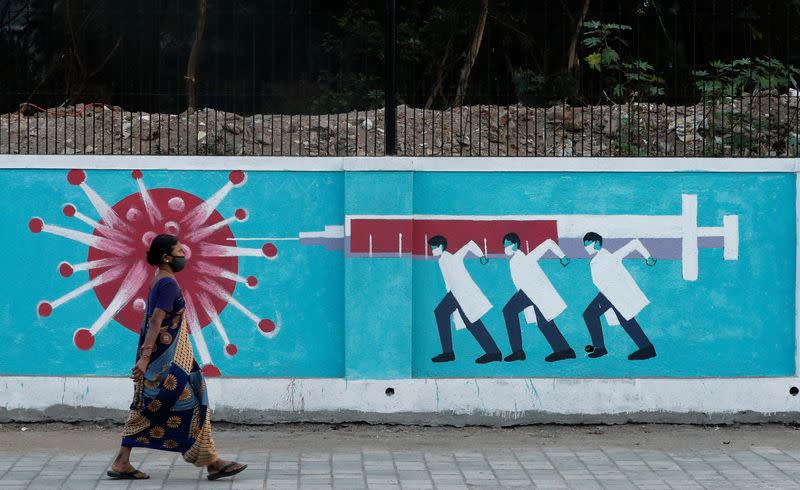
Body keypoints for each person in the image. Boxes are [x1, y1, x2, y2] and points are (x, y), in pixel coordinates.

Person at [107, 234, 247, 481]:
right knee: (189, 405)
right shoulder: (168, 284)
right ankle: (212, 463)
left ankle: (125, 460)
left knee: (154, 405)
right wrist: (145, 358)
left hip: (168, 358)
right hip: (167, 363)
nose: (184, 255)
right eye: (180, 251)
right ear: (166, 257)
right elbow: (155, 321)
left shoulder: (160, 280)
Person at [581, 232, 657, 361]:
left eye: (588, 243)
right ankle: (647, 348)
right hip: (609, 294)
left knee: (590, 314)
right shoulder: (597, 259)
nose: (586, 247)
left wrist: (648, 257)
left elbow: (634, 243)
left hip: (612, 294)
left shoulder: (609, 257)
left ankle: (600, 348)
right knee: (625, 320)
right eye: (585, 244)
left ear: (597, 243)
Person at [501, 233, 576, 362]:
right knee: (543, 322)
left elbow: (548, 242)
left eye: (507, 245)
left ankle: (518, 351)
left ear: (514, 245)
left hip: (531, 293)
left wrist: (562, 256)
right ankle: (564, 350)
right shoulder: (514, 261)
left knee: (508, 311)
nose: (505, 248)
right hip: (532, 294)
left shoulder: (525, 258)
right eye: (504, 245)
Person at [428, 235, 502, 364]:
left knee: (442, 313)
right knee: (468, 321)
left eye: (433, 247)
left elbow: (470, 244)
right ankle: (493, 352)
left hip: (462, 294)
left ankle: (449, 353)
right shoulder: (442, 260)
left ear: (440, 246)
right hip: (456, 294)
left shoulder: (451, 258)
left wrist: (481, 256)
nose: (432, 250)